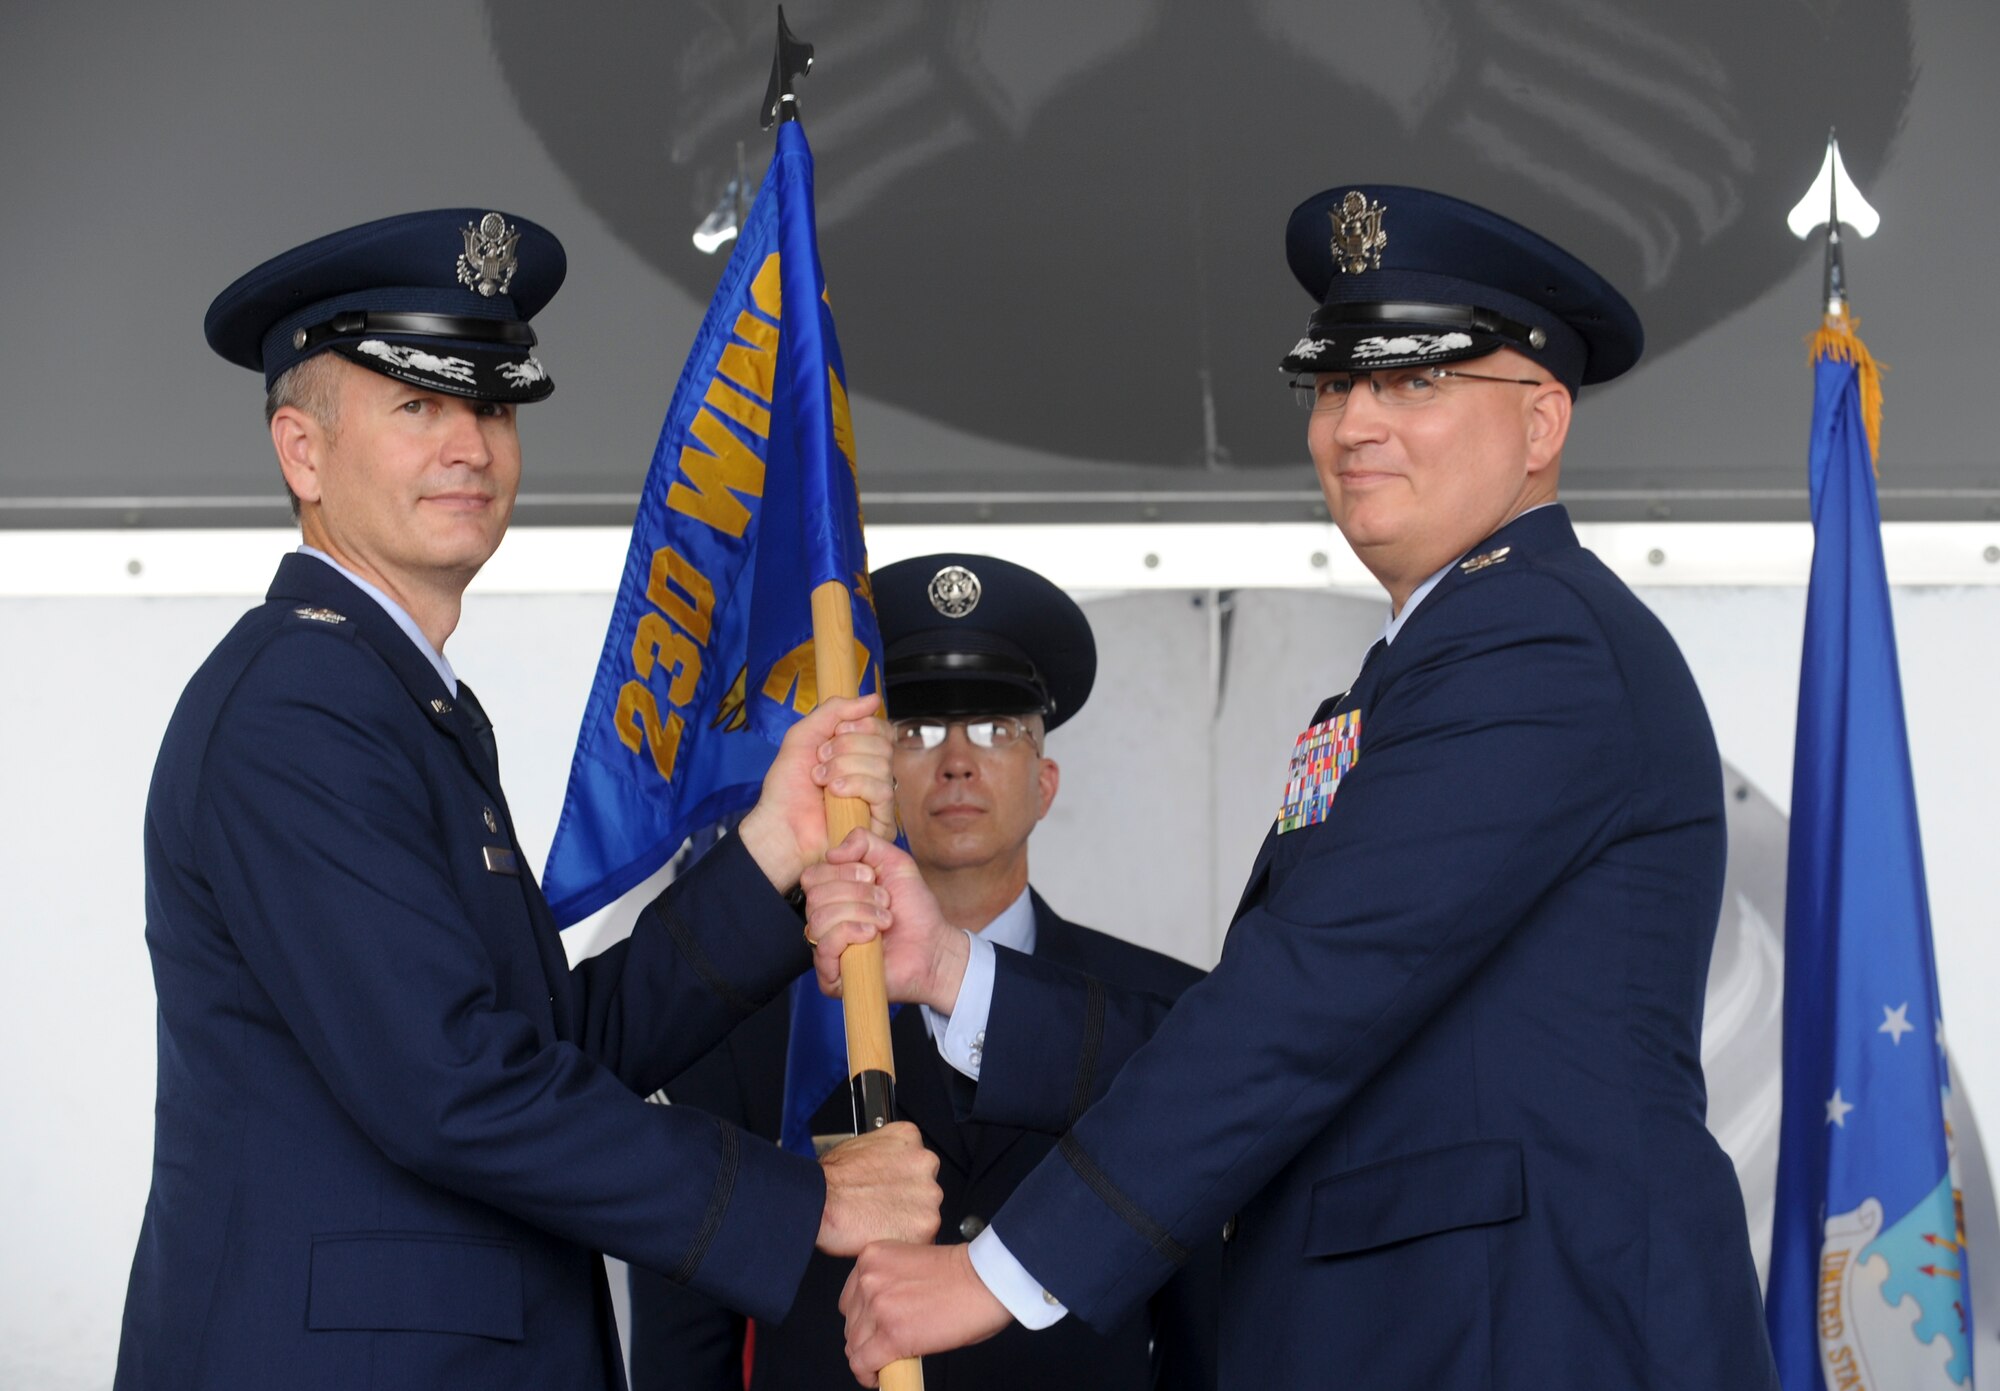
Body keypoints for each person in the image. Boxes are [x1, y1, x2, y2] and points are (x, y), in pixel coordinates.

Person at [805, 187, 1780, 1388]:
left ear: (1539, 425)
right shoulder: (1424, 669)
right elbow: (1285, 1022)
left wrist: (995, 1269)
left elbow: (1303, 1006)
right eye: (1333, 385)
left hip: (1524, 1334)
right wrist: (947, 970)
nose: (1354, 423)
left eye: (1413, 382)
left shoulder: (1538, 644)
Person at [114, 209, 941, 1391]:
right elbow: (451, 1087)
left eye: (491, 406)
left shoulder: (395, 695)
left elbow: (556, 1050)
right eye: (418, 406)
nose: (470, 447)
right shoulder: (299, 705)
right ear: (302, 451)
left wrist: (772, 847)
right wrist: (802, 1197)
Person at [629, 554, 1220, 1390]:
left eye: (993, 729)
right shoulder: (744, 1024)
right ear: (869, 780)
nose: (954, 761)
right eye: (913, 731)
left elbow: (1204, 1331)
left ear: (1046, 782)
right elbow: (685, 1336)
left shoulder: (1170, 1009)